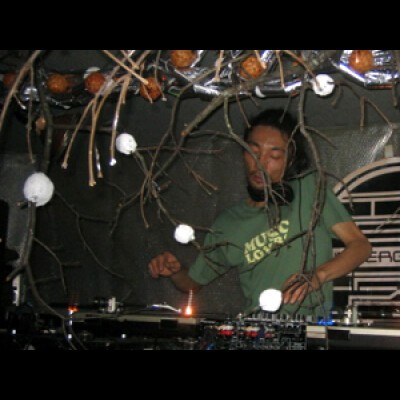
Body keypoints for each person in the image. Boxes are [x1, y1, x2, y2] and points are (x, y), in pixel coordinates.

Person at [148, 108, 372, 318]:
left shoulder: (309, 187)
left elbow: (360, 246)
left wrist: (317, 276)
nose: (259, 164)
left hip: (312, 327)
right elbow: (192, 283)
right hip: (257, 328)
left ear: (291, 159)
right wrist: (174, 271)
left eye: (273, 156)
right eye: (252, 152)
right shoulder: (228, 223)